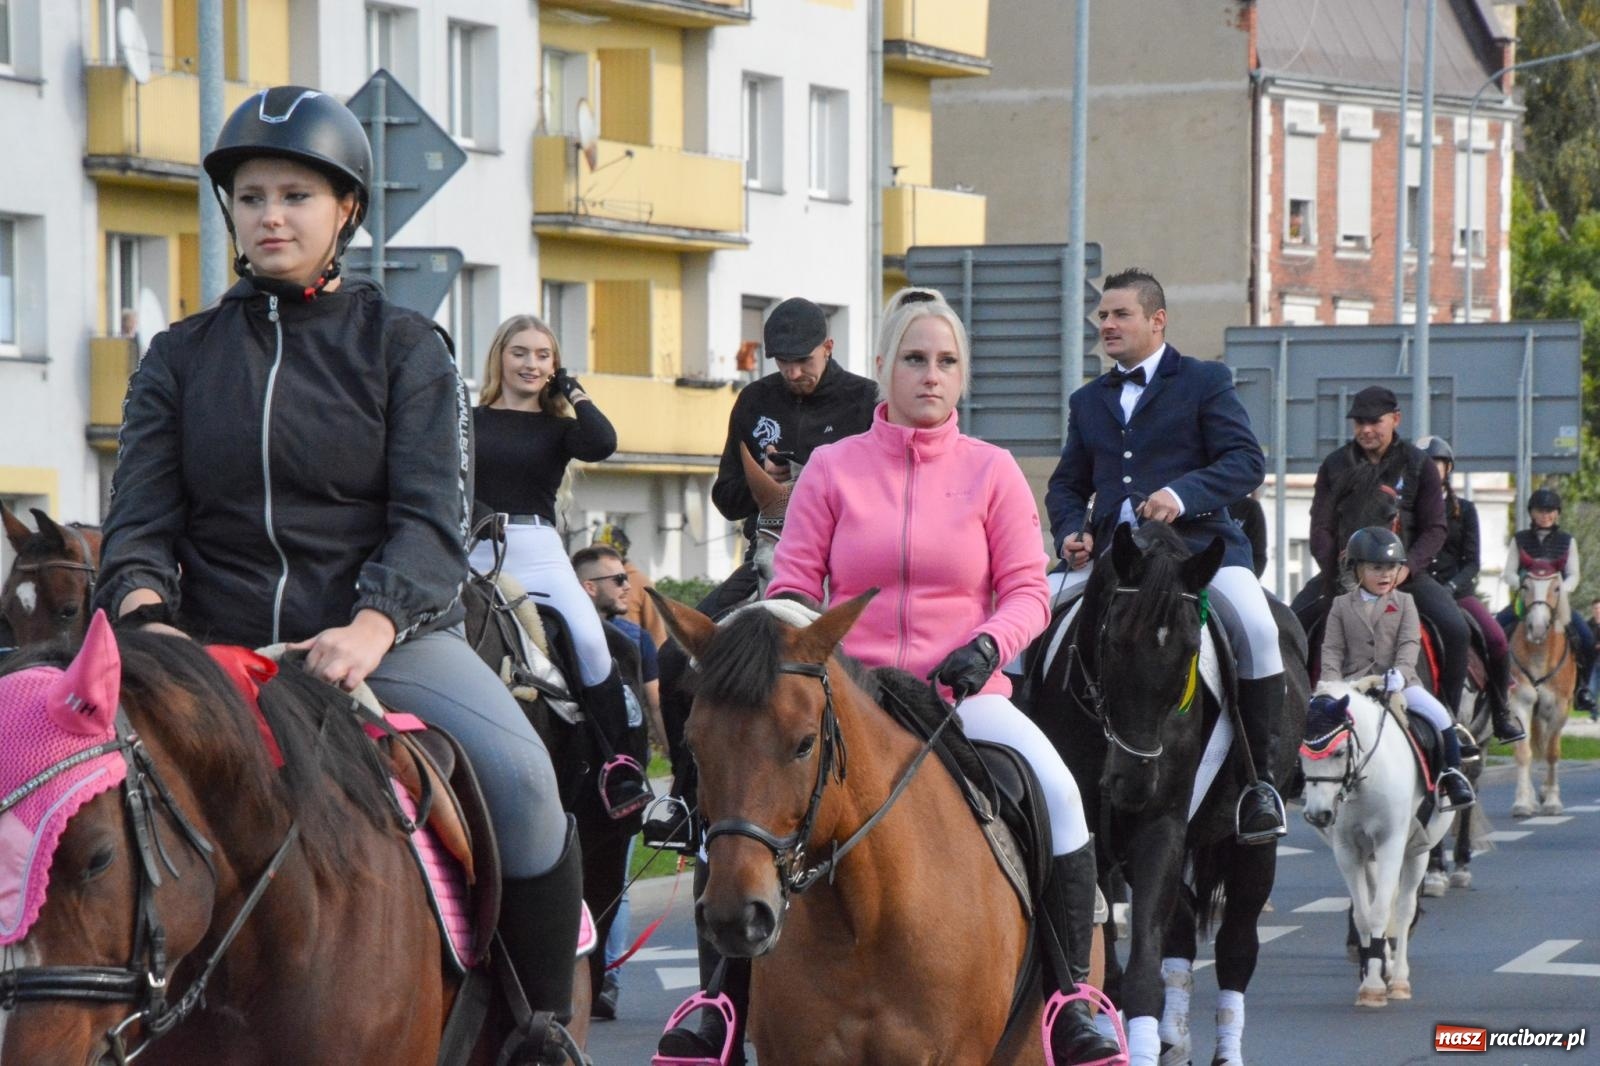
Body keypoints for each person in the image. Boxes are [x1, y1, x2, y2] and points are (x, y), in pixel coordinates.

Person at [94, 86, 579, 1060]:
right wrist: (146, 619)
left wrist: (371, 625)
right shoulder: (177, 361)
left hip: (377, 639)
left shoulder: (407, 350)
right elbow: (138, 524)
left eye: (295, 196)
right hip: (206, 650)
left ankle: (538, 1029)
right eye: (253, 195)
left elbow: (429, 520)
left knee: (527, 788)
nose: (271, 215)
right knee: (54, 781)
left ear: (345, 211)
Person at [745, 288, 1115, 1065]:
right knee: (747, 805)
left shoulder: (994, 472)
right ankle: (717, 1001)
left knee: (1060, 793)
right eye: (915, 359)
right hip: (852, 700)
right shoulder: (831, 471)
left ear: (962, 376)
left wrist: (987, 646)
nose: (931, 375)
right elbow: (791, 586)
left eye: (946, 362)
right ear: (883, 368)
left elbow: (1025, 590)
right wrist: (794, 648)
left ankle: (1073, 996)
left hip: (962, 698)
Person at [1045, 268, 1289, 844]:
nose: (1106, 324)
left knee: (1258, 629)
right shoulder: (1088, 401)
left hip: (1200, 552)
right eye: (1102, 315)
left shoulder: (1204, 381)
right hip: (1116, 561)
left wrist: (1181, 495)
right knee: (1032, 627)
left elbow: (1245, 462)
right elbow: (1067, 485)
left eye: (1119, 314)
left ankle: (1262, 783)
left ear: (1157, 321)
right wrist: (1067, 532)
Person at [467, 314, 649, 814]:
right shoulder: (468, 420)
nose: (530, 363)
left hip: (538, 549)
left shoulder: (559, 429)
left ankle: (621, 769)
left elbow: (603, 441)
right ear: (499, 356)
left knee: (591, 640)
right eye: (520, 352)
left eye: (542, 355)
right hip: (474, 549)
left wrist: (574, 391)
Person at [1295, 386, 1471, 724]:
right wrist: (1338, 571)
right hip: (1343, 573)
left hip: (1404, 575)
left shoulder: (1418, 465)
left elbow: (1435, 529)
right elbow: (1320, 527)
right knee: (1289, 626)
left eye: (1374, 421)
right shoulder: (1334, 465)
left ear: (1395, 419)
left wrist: (1408, 569)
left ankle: (1449, 717)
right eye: (1359, 422)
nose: (1366, 430)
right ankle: (1295, 719)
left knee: (1456, 629)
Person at [704, 297, 877, 617]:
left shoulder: (866, 400)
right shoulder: (755, 399)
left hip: (848, 561)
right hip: (769, 559)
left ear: (828, 346)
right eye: (783, 362)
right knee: (677, 652)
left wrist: (810, 474)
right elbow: (725, 499)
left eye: (803, 361)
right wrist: (763, 481)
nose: (793, 372)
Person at [1322, 528, 1476, 810]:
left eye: (1391, 568)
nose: (1385, 575)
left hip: (1398, 683)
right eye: (1376, 567)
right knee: (1318, 720)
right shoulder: (1341, 606)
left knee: (1440, 715)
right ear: (1356, 569)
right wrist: (1332, 684)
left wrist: (1401, 673)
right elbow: (1332, 649)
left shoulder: (1405, 603)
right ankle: (1303, 774)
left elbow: (1409, 643)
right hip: (1354, 685)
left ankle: (1452, 776)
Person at [573, 543, 662, 1023]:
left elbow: (654, 704)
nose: (630, 586)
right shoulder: (559, 634)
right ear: (588, 588)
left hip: (621, 791)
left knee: (615, 890)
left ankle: (607, 975)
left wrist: (681, 770)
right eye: (618, 580)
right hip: (575, 787)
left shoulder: (635, 640)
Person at [1416, 436, 1525, 742]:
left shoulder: (1464, 510)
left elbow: (1472, 562)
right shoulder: (1405, 511)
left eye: (1433, 464)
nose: (1427, 469)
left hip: (1456, 592)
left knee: (1497, 639)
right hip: (1416, 589)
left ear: (1447, 468)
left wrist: (1451, 586)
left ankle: (1502, 711)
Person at [1495, 488, 1597, 714]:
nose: (1546, 515)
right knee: (1493, 632)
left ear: (1557, 514)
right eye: (1541, 511)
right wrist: (1523, 585)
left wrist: (1561, 590)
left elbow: (1574, 574)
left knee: (1587, 638)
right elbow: (1509, 572)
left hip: (1556, 604)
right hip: (1526, 602)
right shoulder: (1520, 540)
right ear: (1532, 513)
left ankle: (1582, 689)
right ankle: (1495, 685)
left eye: (1550, 511)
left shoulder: (1567, 541)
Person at [592, 522, 667, 652]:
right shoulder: (588, 578)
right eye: (594, 549)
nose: (597, 555)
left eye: (604, 550)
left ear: (619, 552)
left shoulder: (641, 582)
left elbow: (657, 634)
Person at [1229, 491, 1269, 578]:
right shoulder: (1202, 504)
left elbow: (1259, 555)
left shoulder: (1250, 507)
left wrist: (1248, 579)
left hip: (1241, 577)